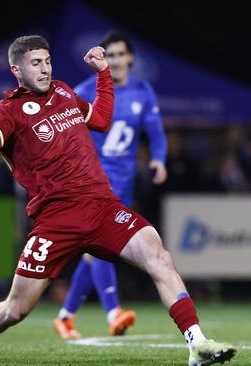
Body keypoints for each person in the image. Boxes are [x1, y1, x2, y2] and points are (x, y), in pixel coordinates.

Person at [0, 35, 235, 366]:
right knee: (15, 309)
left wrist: (103, 75)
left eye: (47, 61)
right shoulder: (8, 111)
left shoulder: (63, 91)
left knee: (158, 256)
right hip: (56, 221)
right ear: (16, 69)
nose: (44, 69)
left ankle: (197, 344)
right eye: (35, 63)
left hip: (102, 208)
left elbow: (100, 120)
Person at [53, 30, 168, 340]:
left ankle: (66, 315)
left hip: (125, 179)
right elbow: (60, 129)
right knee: (100, 248)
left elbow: (155, 132)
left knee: (95, 252)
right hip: (92, 180)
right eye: (110, 55)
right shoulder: (86, 90)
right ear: (101, 59)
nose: (115, 61)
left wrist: (158, 159)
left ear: (130, 57)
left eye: (120, 55)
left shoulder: (143, 91)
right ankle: (114, 312)